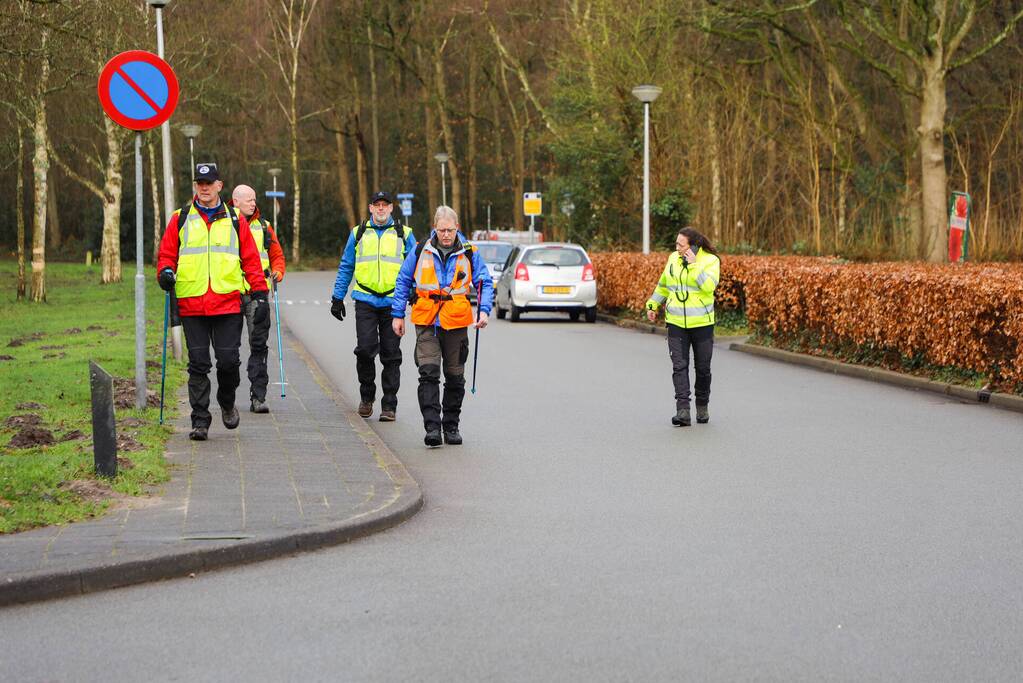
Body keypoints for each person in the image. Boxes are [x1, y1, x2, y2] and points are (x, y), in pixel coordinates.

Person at [156, 163, 269, 441]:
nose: (204, 188)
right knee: (198, 364)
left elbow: (252, 259)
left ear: (219, 185)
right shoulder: (180, 218)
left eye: (209, 183)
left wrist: (260, 293)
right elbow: (166, 254)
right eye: (200, 183)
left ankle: (227, 403)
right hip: (192, 303)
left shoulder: (234, 219)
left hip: (228, 303)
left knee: (229, 362)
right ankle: (200, 420)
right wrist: (165, 273)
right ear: (196, 186)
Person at [391, 206, 493, 447]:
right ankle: (432, 428)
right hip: (427, 320)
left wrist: (484, 310)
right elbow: (404, 280)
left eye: (450, 230)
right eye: (441, 230)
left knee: (455, 377)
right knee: (428, 373)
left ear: (457, 228)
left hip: (457, 321)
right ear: (434, 228)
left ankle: (451, 425)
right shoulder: (420, 250)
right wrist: (397, 315)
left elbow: (484, 282)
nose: (446, 234)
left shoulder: (469, 252)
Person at [330, 191, 417, 421]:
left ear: (391, 208)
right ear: (370, 208)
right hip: (365, 300)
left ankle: (389, 405)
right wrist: (338, 297)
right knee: (366, 350)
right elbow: (346, 265)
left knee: (391, 355)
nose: (380, 209)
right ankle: (367, 396)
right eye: (376, 205)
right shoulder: (358, 233)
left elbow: (417, 267)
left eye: (384, 205)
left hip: (393, 303)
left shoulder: (404, 234)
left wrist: (415, 291)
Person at [645, 226, 721, 427]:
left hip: (702, 323)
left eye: (680, 244)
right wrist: (653, 304)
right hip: (676, 323)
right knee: (679, 367)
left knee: (703, 369)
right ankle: (683, 411)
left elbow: (709, 287)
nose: (676, 247)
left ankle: (702, 406)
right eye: (676, 243)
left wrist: (694, 266)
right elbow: (663, 285)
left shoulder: (711, 261)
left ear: (693, 246)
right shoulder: (672, 258)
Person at [231, 184, 286, 414]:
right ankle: (228, 396)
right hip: (232, 293)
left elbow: (277, 255)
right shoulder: (225, 225)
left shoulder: (264, 227)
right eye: (248, 200)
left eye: (254, 199)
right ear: (236, 202)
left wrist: (278, 271)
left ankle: (258, 396)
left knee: (258, 345)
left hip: (258, 294)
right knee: (229, 349)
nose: (253, 203)